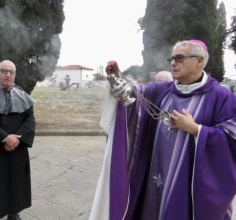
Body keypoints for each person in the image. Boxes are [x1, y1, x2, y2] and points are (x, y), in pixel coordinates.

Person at [90, 40, 236, 220]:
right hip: (155, 173)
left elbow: (232, 138)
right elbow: (135, 96)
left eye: (180, 58)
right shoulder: (163, 90)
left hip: (190, 185)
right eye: (172, 58)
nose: (174, 63)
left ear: (200, 61)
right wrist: (118, 79)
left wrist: (196, 129)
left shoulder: (221, 96)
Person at [0, 60, 35, 220]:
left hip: (18, 148)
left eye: (11, 72)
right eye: (4, 71)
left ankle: (13, 211)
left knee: (16, 182)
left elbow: (29, 121)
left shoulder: (22, 94)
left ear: (15, 75)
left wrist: (16, 140)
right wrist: (4, 138)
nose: (8, 75)